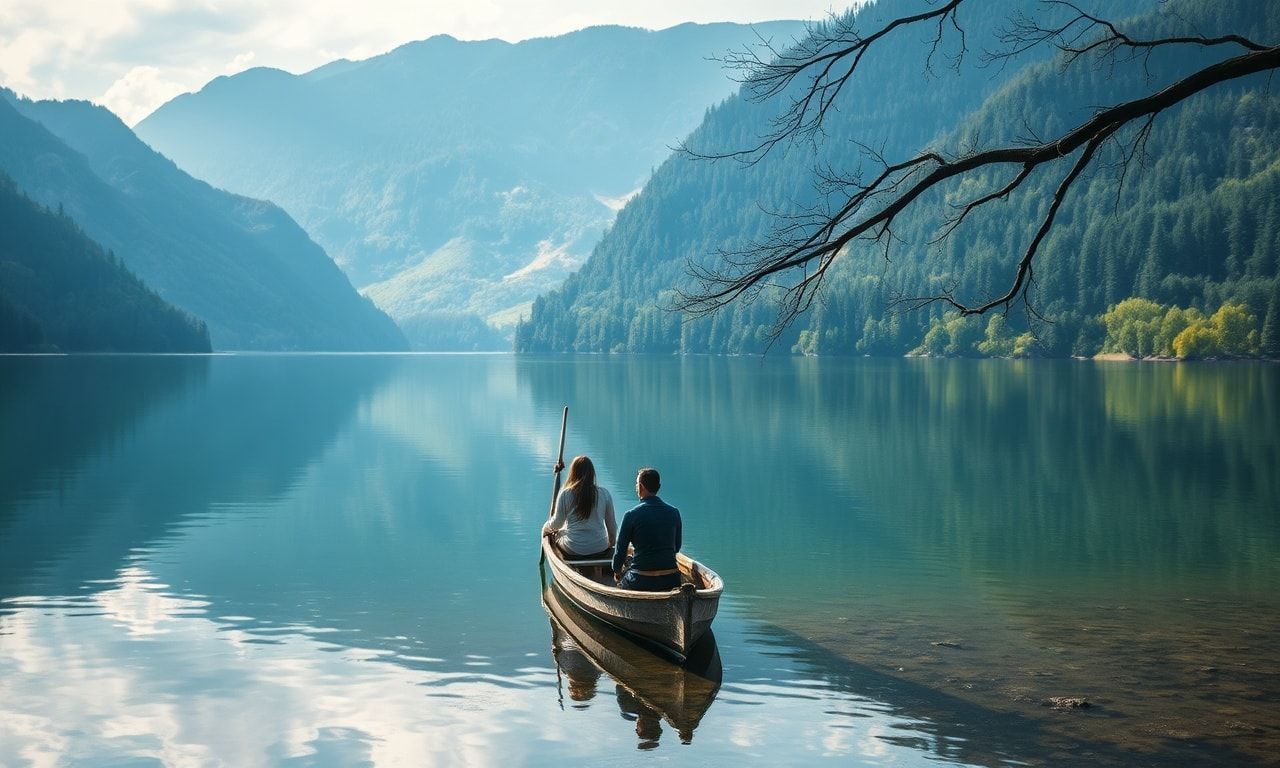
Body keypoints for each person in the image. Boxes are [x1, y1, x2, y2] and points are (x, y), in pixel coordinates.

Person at [612, 467, 682, 591]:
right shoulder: (674, 512)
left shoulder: (631, 515)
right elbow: (676, 547)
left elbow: (620, 551)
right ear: (658, 487)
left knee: (621, 578)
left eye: (636, 484)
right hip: (671, 579)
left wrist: (617, 571)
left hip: (640, 580)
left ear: (640, 486)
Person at [543, 455, 616, 559]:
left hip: (573, 548)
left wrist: (545, 529)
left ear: (573, 473)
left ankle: (563, 562)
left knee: (556, 535)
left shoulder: (565, 494)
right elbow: (612, 527)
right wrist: (610, 545)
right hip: (600, 547)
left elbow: (557, 524)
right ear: (592, 473)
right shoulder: (604, 494)